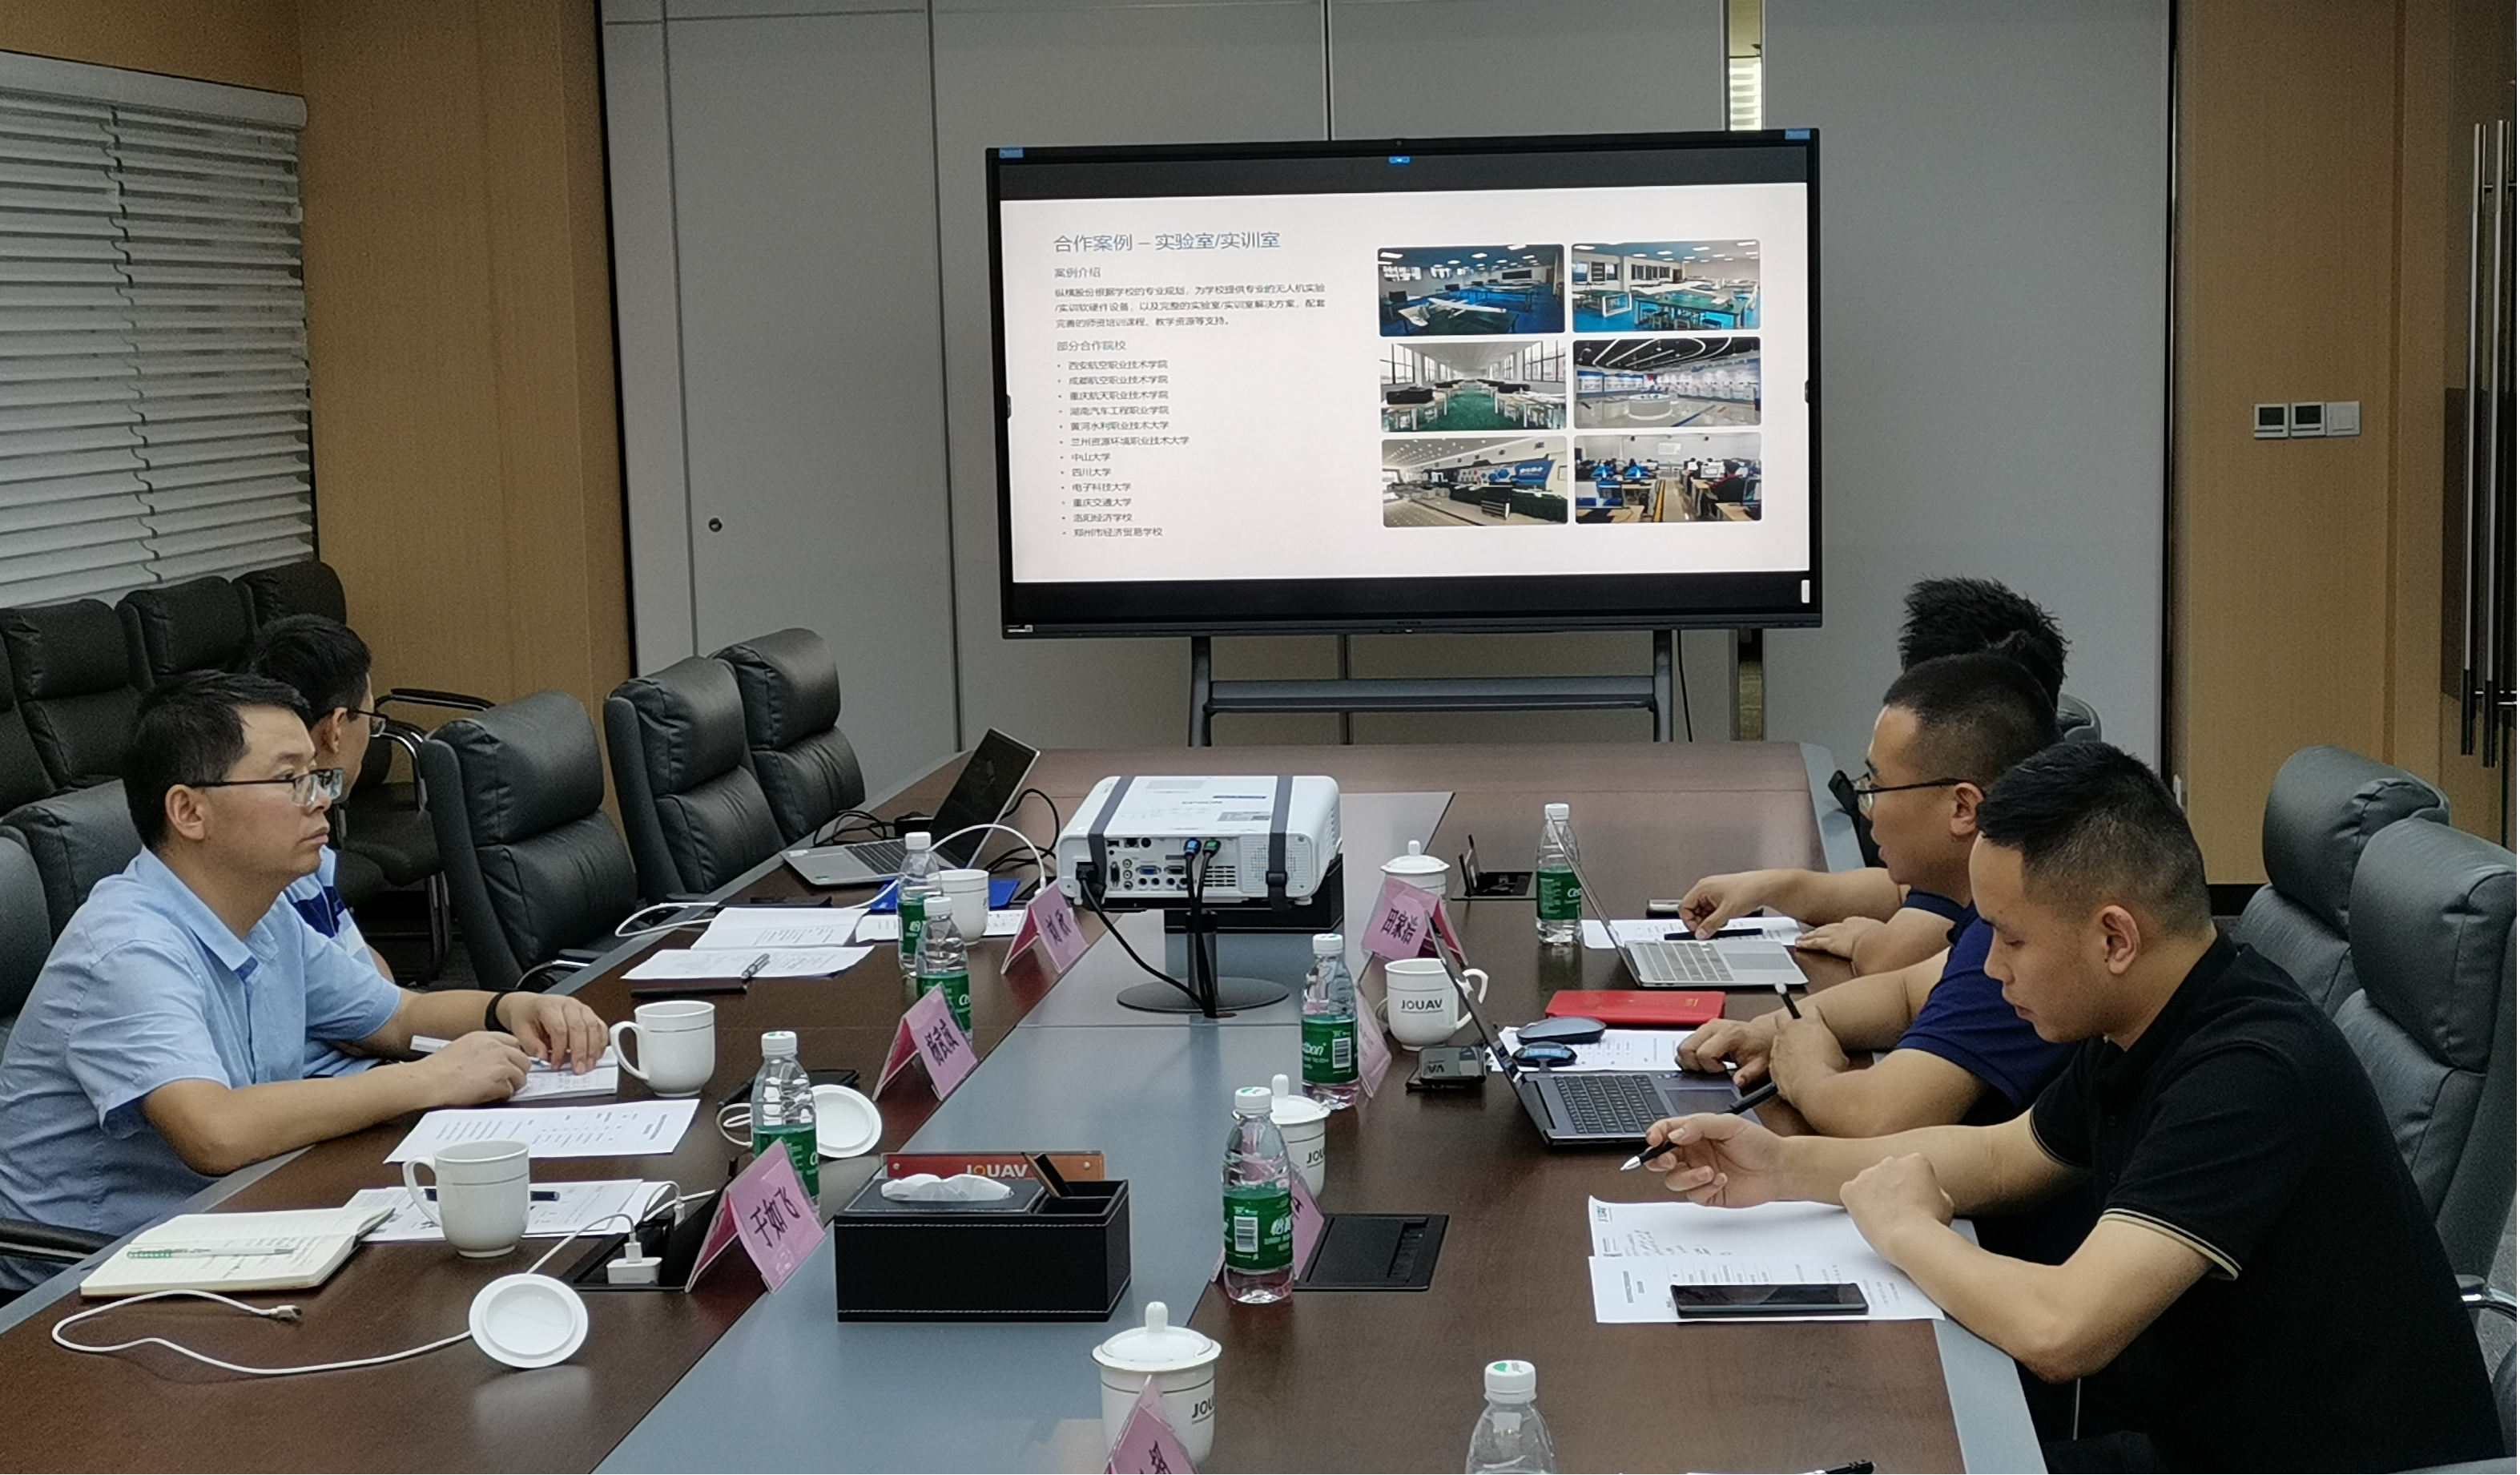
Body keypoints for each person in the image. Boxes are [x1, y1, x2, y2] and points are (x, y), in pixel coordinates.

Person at [1641, 743, 2504, 1473]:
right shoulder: (2145, 1015)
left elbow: (2062, 1330)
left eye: (2010, 937)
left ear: (2114, 937)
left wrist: (1904, 1227)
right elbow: (2002, 1158)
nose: (1989, 967)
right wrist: (1779, 1165)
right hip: (2196, 1436)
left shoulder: (2249, 1072)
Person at [0, 675, 606, 1287]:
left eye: (318, 775)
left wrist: (511, 1008)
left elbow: (397, 1017)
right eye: (291, 779)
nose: (321, 800)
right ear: (189, 811)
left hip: (238, 1217)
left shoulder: (263, 914)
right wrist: (428, 1079)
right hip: (88, 1272)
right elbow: (215, 1131)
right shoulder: (127, 948)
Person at [1680, 651, 2072, 1147]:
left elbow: (1878, 1118)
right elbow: (1905, 993)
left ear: (1962, 807)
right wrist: (1772, 1029)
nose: (1868, 811)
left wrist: (1806, 1070)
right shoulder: (1998, 908)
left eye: (1878, 787)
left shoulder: (2024, 930)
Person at [1680, 577, 2068, 973]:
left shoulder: (2006, 867)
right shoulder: (2029, 795)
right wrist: (1768, 885)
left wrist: (1864, 940)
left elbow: (1892, 958)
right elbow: (1896, 891)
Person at [237, 614, 392, 981]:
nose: (320, 800)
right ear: (335, 728)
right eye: (370, 719)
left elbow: (359, 967)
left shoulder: (306, 846)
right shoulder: (274, 858)